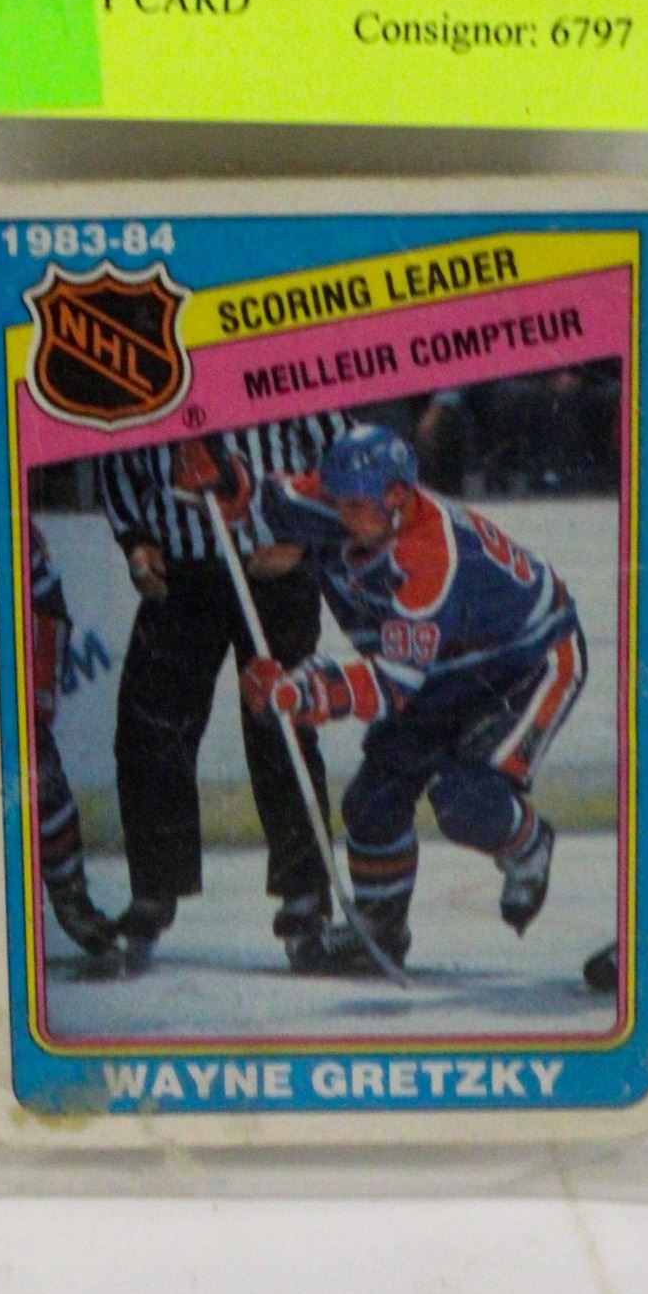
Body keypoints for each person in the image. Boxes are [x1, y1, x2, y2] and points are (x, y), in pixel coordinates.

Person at [219, 423, 586, 972]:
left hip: (525, 666)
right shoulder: (343, 497)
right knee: (372, 802)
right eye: (336, 500)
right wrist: (216, 474)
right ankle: (381, 928)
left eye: (355, 505)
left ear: (396, 495)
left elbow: (391, 686)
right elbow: (256, 497)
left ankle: (529, 846)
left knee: (467, 803)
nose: (342, 516)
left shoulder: (429, 557)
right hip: (439, 669)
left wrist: (298, 692)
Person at [97, 417, 346, 965]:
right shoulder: (147, 381)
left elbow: (344, 457)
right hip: (181, 572)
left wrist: (303, 541)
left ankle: (305, 901)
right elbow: (115, 458)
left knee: (281, 726)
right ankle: (153, 893)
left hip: (276, 570)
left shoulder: (279, 368)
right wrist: (136, 540)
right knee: (149, 728)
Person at [26, 505, 118, 957]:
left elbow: (48, 608)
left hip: (7, 658)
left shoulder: (16, 536)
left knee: (41, 777)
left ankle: (71, 899)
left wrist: (39, 692)